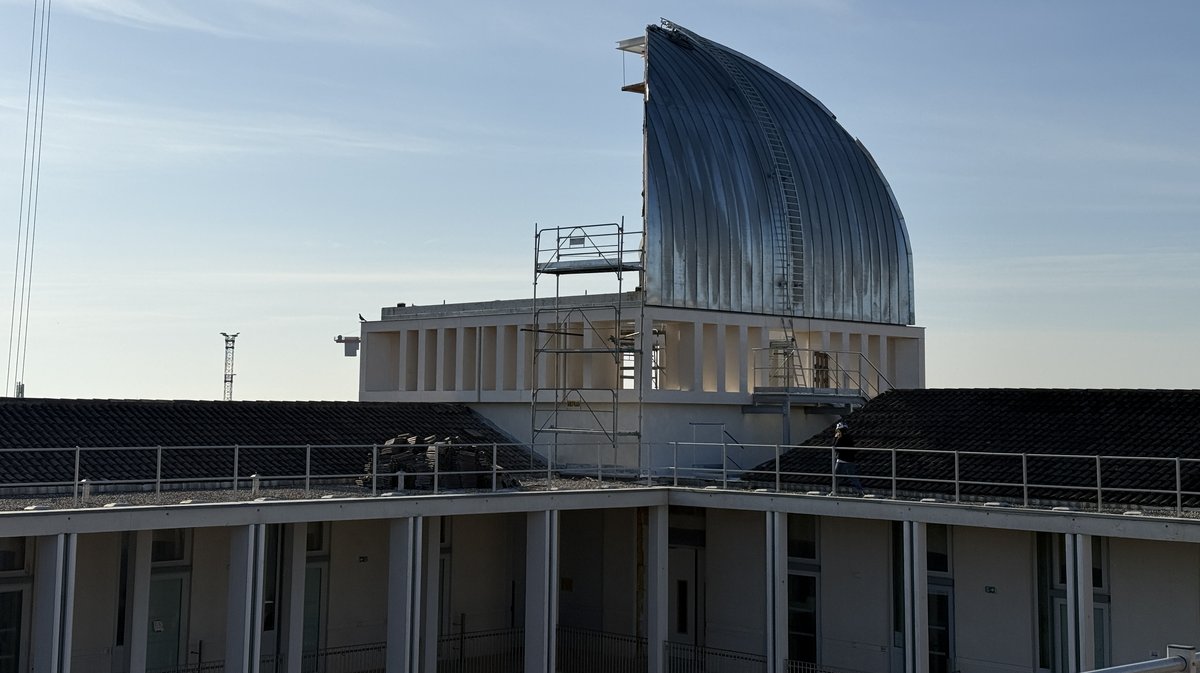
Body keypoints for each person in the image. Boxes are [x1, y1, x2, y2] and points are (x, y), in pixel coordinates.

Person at [832, 421, 864, 495]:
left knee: (836, 476)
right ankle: (860, 491)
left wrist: (836, 438)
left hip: (843, 459)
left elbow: (835, 447)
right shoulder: (849, 437)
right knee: (851, 476)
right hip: (847, 459)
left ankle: (834, 491)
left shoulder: (842, 438)